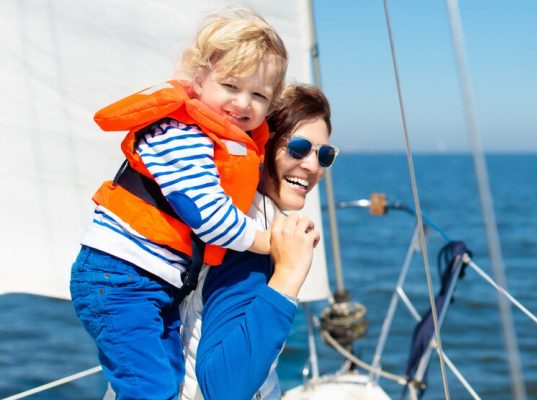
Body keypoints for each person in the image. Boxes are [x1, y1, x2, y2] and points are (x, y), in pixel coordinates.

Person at [69, 7, 287, 400]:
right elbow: (211, 218)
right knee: (148, 389)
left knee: (165, 380)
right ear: (200, 79)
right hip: (118, 281)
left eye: (259, 95)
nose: (243, 103)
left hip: (152, 284)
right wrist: (273, 244)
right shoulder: (181, 134)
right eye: (231, 86)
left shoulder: (220, 137)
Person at [179, 84, 339, 400]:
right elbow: (223, 389)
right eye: (298, 148)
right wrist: (288, 275)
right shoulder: (247, 240)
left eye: (325, 155)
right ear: (261, 144)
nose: (312, 166)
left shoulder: (230, 215)